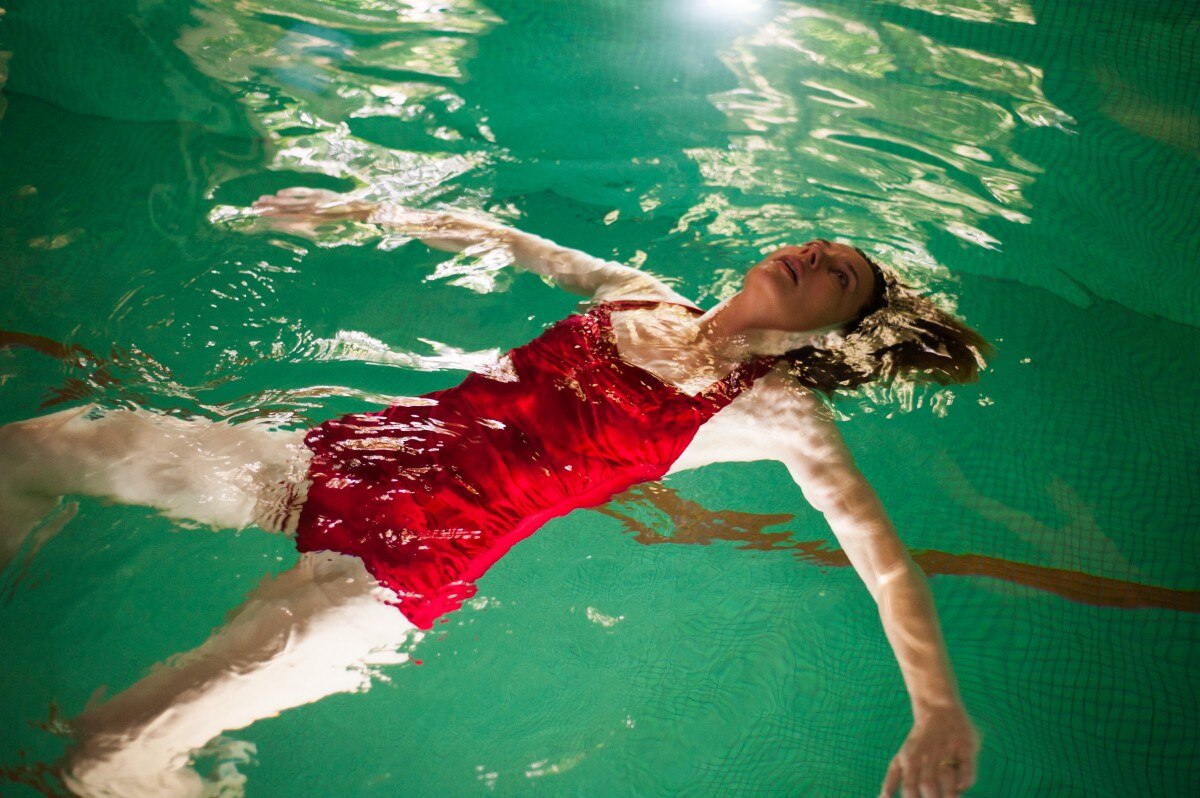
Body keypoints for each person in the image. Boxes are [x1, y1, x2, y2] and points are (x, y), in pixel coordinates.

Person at [0, 188, 990, 797]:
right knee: (25, 452)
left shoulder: (774, 411)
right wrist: (356, 212)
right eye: (822, 244)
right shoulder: (636, 294)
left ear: (827, 335)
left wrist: (938, 710)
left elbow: (886, 564)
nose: (814, 254)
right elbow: (500, 237)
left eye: (838, 279)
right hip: (334, 463)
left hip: (385, 583)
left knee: (102, 757)